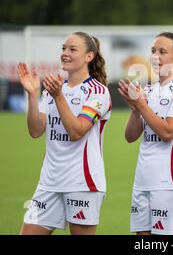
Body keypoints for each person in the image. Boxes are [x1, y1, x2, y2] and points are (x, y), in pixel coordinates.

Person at [18, 32, 111, 235]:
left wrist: (58, 96)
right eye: (63, 48)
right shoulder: (52, 89)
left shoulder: (98, 92)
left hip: (82, 184)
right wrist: (33, 95)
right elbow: (35, 130)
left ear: (89, 56)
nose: (65, 53)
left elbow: (77, 131)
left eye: (72, 49)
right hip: (49, 183)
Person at [118, 32, 173, 235]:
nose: (155, 56)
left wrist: (141, 105)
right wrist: (135, 109)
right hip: (143, 180)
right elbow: (130, 136)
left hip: (169, 182)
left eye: (162, 51)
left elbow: (168, 132)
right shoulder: (150, 90)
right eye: (153, 51)